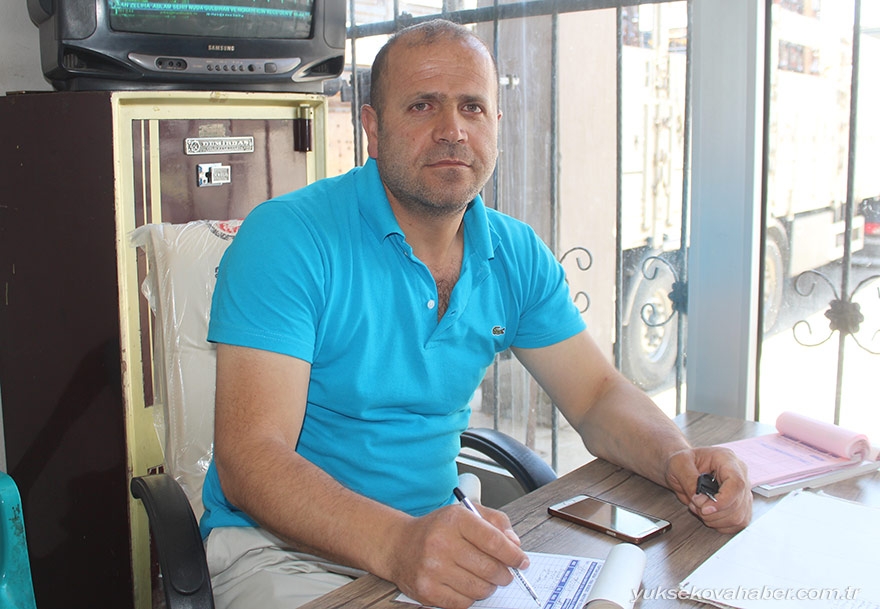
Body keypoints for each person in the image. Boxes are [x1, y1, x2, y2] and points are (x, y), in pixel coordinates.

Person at [199, 18, 752, 609]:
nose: (452, 130)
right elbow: (252, 457)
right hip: (284, 552)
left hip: (435, 541)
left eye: (472, 107)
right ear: (373, 129)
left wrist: (677, 459)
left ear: (496, 125)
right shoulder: (288, 238)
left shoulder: (513, 252)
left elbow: (595, 396)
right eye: (421, 106)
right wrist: (398, 544)